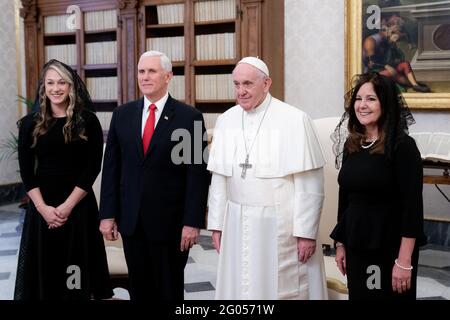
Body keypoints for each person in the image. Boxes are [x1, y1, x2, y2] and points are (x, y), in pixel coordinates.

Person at [207, 57, 328, 299]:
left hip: (280, 223)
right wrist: (217, 225)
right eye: (237, 84)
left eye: (248, 84)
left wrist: (305, 232)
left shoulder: (294, 119)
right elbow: (219, 180)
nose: (241, 91)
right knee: (240, 287)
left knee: (282, 286)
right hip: (236, 221)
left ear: (266, 83)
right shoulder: (226, 120)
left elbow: (310, 183)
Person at [99, 51, 209, 301]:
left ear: (168, 76)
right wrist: (107, 214)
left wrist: (192, 222)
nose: (145, 77)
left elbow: (197, 175)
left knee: (169, 290)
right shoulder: (122, 115)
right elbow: (112, 169)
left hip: (170, 225)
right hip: (132, 222)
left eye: (152, 71)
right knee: (140, 290)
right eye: (141, 71)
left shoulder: (189, 117)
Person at [14, 59, 113, 300]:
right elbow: (27, 172)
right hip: (42, 210)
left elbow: (92, 168)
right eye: (50, 83)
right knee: (44, 273)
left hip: (78, 209)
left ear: (71, 87)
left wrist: (67, 207)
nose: (56, 88)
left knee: (76, 272)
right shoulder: (30, 124)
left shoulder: (87, 120)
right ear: (43, 87)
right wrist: (43, 209)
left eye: (61, 82)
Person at [330, 72, 427, 300]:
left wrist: (404, 262)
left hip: (389, 247)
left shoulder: (403, 147)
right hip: (356, 242)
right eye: (358, 99)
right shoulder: (352, 144)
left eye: (371, 99)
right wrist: (341, 243)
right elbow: (346, 197)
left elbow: (412, 209)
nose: (362, 105)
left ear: (386, 104)